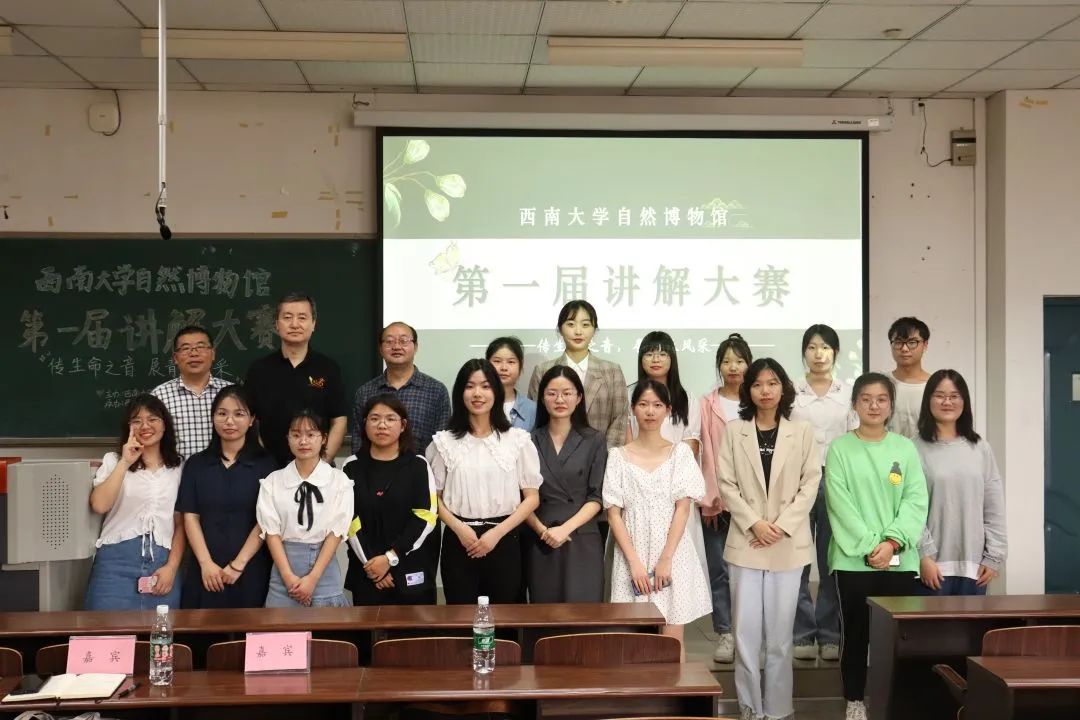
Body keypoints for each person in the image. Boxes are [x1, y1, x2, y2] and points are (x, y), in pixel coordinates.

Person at [717, 358, 821, 720]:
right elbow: (726, 484)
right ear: (748, 390)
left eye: (773, 383)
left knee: (779, 638)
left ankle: (777, 710)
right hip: (747, 543)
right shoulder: (734, 431)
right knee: (745, 636)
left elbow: (810, 483)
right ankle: (749, 707)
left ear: (783, 388)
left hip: (786, 544)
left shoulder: (802, 431)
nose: (765, 390)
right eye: (758, 384)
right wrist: (755, 524)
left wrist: (780, 525)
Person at [825, 373, 928, 720]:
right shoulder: (840, 448)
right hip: (853, 561)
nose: (873, 405)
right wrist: (872, 546)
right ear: (855, 404)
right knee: (856, 635)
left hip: (900, 560)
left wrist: (892, 542)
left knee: (899, 637)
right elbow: (840, 504)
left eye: (881, 399)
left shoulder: (905, 448)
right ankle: (854, 700)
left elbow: (916, 500)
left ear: (891, 405)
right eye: (866, 399)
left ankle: (896, 701)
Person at [605, 380, 712, 656]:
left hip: (673, 553)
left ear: (668, 410)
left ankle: (674, 687)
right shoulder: (617, 456)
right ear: (633, 409)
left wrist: (666, 559)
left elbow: (683, 509)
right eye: (643, 404)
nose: (650, 411)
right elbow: (614, 514)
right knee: (633, 645)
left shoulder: (680, 454)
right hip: (632, 554)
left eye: (657, 405)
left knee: (672, 644)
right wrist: (634, 563)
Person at [427, 359, 542, 604]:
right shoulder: (443, 443)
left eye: (485, 386)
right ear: (460, 393)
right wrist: (459, 528)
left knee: (504, 616)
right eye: (470, 386)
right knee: (461, 614)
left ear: (496, 392)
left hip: (504, 537)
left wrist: (496, 533)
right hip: (459, 539)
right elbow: (433, 498)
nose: (477, 393)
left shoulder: (517, 440)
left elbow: (532, 498)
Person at [177, 384, 277, 609]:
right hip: (204, 570)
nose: (229, 421)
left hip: (251, 569)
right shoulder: (196, 464)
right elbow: (190, 516)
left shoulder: (266, 464)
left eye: (239, 414)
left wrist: (238, 565)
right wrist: (206, 563)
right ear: (213, 418)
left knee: (249, 629)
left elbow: (266, 520)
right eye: (222, 413)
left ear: (251, 420)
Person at [790, 324, 855, 661]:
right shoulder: (790, 391)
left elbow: (855, 439)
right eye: (812, 347)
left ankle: (830, 634)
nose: (819, 354)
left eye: (826, 347)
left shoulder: (848, 393)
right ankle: (802, 634)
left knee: (832, 561)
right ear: (804, 352)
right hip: (798, 481)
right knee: (798, 560)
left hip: (836, 480)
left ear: (835, 353)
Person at [85, 394, 185, 610]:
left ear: (165, 425)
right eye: (136, 420)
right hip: (115, 563)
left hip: (162, 565)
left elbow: (181, 524)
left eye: (152, 419)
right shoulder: (113, 460)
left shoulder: (178, 467)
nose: (145, 426)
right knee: (105, 629)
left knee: (160, 630)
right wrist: (125, 462)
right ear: (128, 427)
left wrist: (172, 567)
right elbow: (99, 505)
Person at [915, 369, 1006, 596]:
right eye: (939, 395)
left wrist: (994, 556)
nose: (947, 402)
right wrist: (922, 556)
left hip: (974, 568)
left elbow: (994, 506)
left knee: (971, 622)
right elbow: (908, 508)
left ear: (964, 402)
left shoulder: (980, 448)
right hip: (931, 568)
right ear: (928, 401)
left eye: (954, 396)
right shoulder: (913, 448)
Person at [344, 394, 438, 606]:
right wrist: (373, 565)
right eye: (374, 418)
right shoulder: (351, 467)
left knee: (413, 627)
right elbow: (349, 520)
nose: (382, 425)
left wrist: (390, 558)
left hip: (410, 570)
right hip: (367, 571)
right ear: (365, 424)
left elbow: (426, 517)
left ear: (403, 425)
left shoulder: (418, 465)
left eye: (390, 418)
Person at [525, 365, 607, 603]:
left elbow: (596, 497)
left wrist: (564, 529)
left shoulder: (594, 439)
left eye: (567, 393)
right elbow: (521, 498)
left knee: (583, 610)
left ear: (579, 397)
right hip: (542, 536)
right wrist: (543, 531)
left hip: (582, 535)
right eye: (552, 393)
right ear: (542, 398)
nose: (559, 399)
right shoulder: (528, 440)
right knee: (545, 611)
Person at [256, 409, 353, 607]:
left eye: (311, 434)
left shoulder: (339, 481)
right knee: (281, 625)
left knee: (326, 626)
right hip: (284, 573)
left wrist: (312, 578)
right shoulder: (272, 481)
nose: (303, 441)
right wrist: (288, 577)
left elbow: (336, 533)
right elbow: (271, 532)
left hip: (324, 572)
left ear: (323, 438)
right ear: (288, 439)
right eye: (296, 435)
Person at [245, 292, 349, 467]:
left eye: (302, 317)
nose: (294, 324)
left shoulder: (329, 368)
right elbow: (249, 422)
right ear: (276, 324)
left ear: (313, 324)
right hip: (268, 471)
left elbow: (339, 421)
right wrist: (264, 463)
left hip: (318, 470)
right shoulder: (259, 370)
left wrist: (321, 465)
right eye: (287, 317)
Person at [699, 332, 752, 663]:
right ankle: (725, 633)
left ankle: (750, 633)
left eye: (739, 360)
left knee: (751, 571)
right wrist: (710, 497)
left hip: (754, 504)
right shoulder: (708, 404)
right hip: (718, 501)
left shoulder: (759, 400)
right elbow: (705, 452)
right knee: (719, 570)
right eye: (727, 361)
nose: (733, 367)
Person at [528, 300, 628, 447]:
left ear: (594, 330)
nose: (578, 331)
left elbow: (619, 421)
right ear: (560, 329)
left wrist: (603, 456)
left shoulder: (612, 371)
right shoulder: (543, 371)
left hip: (601, 455)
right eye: (571, 324)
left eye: (585, 325)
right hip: (553, 455)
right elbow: (537, 419)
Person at [352, 321, 451, 454]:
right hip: (374, 466)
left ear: (415, 347)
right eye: (389, 341)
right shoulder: (365, 392)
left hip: (423, 466)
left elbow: (443, 443)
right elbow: (358, 441)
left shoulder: (436, 391)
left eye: (403, 341)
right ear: (380, 348)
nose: (397, 346)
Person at [151, 325, 229, 458]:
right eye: (186, 348)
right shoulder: (159, 396)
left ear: (213, 353)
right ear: (175, 358)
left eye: (200, 347)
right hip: (177, 470)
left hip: (225, 470)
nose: (194, 354)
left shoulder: (230, 393)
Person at [626, 330, 701, 456]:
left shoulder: (687, 399)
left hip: (677, 466)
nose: (656, 359)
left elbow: (691, 444)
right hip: (636, 464)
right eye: (649, 354)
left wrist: (665, 465)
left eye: (662, 354)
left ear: (672, 359)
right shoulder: (628, 395)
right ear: (641, 359)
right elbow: (625, 440)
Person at [887, 317, 931, 440]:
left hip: (923, 451)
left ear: (925, 345)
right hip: (886, 451)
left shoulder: (935, 386)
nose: (904, 349)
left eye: (912, 342)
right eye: (898, 342)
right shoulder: (881, 384)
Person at [487, 336, 536, 431]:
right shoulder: (479, 404)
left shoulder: (533, 409)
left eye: (511, 362)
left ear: (520, 366)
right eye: (497, 361)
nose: (504, 368)